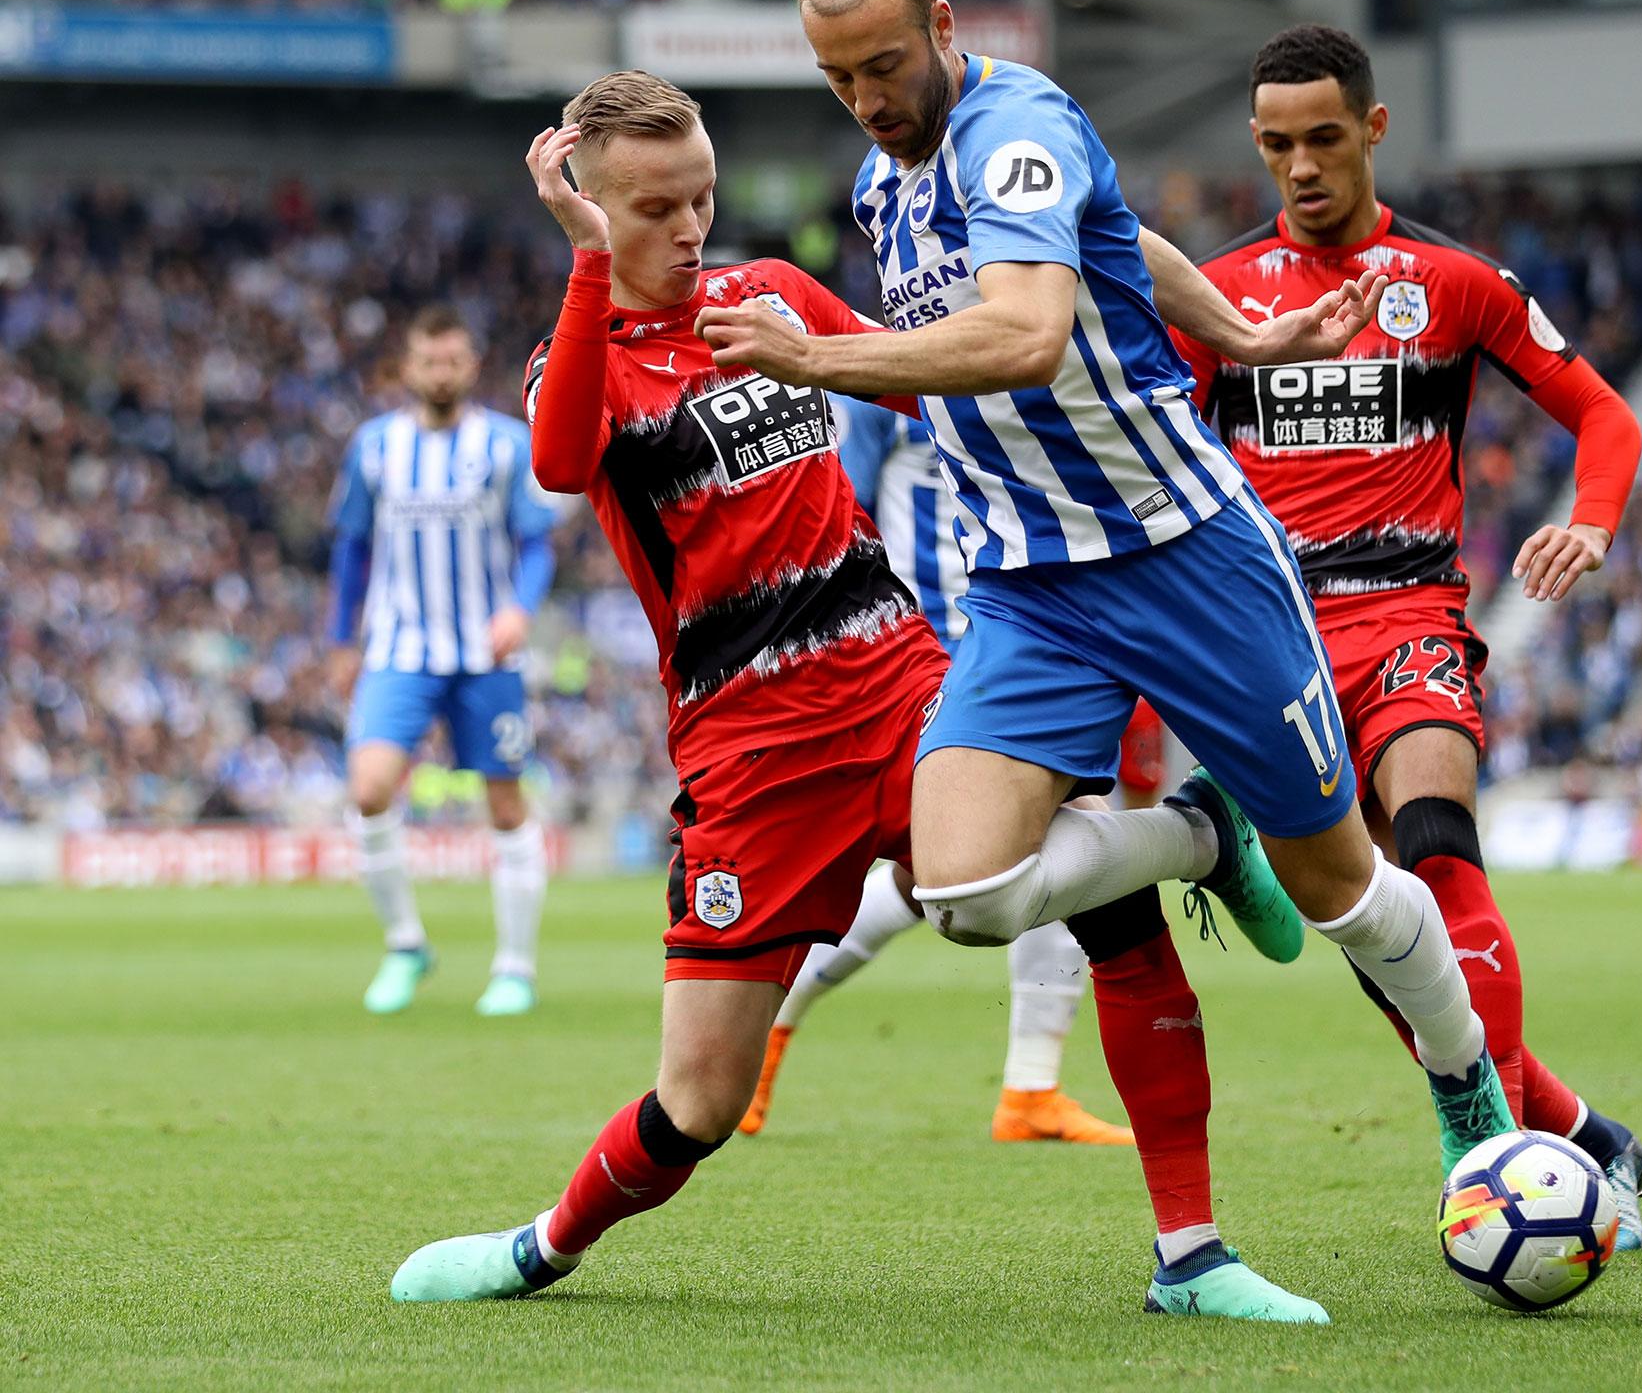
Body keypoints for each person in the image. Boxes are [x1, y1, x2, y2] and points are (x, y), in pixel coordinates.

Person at [388, 71, 1330, 1323]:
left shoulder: (768, 295)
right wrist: (582, 264)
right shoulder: (579, 357)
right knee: (701, 1101)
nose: (688, 229)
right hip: (752, 750)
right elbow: (560, 466)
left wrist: (1075, 322)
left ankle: (1195, 1257)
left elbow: (914, 375)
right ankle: (543, 1249)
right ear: (592, 210)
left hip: (900, 678)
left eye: (702, 198)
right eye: (654, 209)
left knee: (1110, 922)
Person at [705, 0, 1519, 1222]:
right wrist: (1245, 331)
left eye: (882, 63)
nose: (866, 97)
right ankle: (1199, 835)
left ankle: (1469, 1086)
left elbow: (1031, 334)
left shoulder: (1013, 125)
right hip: (1030, 585)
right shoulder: (882, 182)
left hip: (1181, 550)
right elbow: (1120, 238)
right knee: (963, 889)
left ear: (944, 26)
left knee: (1344, 891)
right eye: (836, 75)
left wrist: (816, 363)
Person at [1170, 23, 1642, 1247]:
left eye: (1323, 138)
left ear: (1373, 130)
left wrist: (1589, 526)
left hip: (1408, 611)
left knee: (1439, 850)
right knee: (1380, 930)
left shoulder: (1454, 282)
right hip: (1269, 635)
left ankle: (1509, 1166)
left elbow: (1602, 418)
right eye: (1276, 144)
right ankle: (1576, 1134)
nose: (1301, 166)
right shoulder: (1215, 298)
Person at [739, 396, 1133, 1147]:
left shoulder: (1032, 360)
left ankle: (1025, 1090)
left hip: (1026, 647)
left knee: (943, 878)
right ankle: (1030, 1088)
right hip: (929, 660)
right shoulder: (882, 382)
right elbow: (835, 511)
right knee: (1065, 840)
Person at [326, 305, 558, 1018]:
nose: (441, 372)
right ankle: (406, 946)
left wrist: (519, 607)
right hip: (400, 648)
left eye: (453, 360)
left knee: (505, 803)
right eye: (429, 361)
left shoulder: (506, 446)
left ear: (471, 364)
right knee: (368, 789)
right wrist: (342, 638)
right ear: (407, 368)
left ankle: (514, 968)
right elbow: (351, 548)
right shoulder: (374, 447)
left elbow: (536, 542)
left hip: (484, 652)